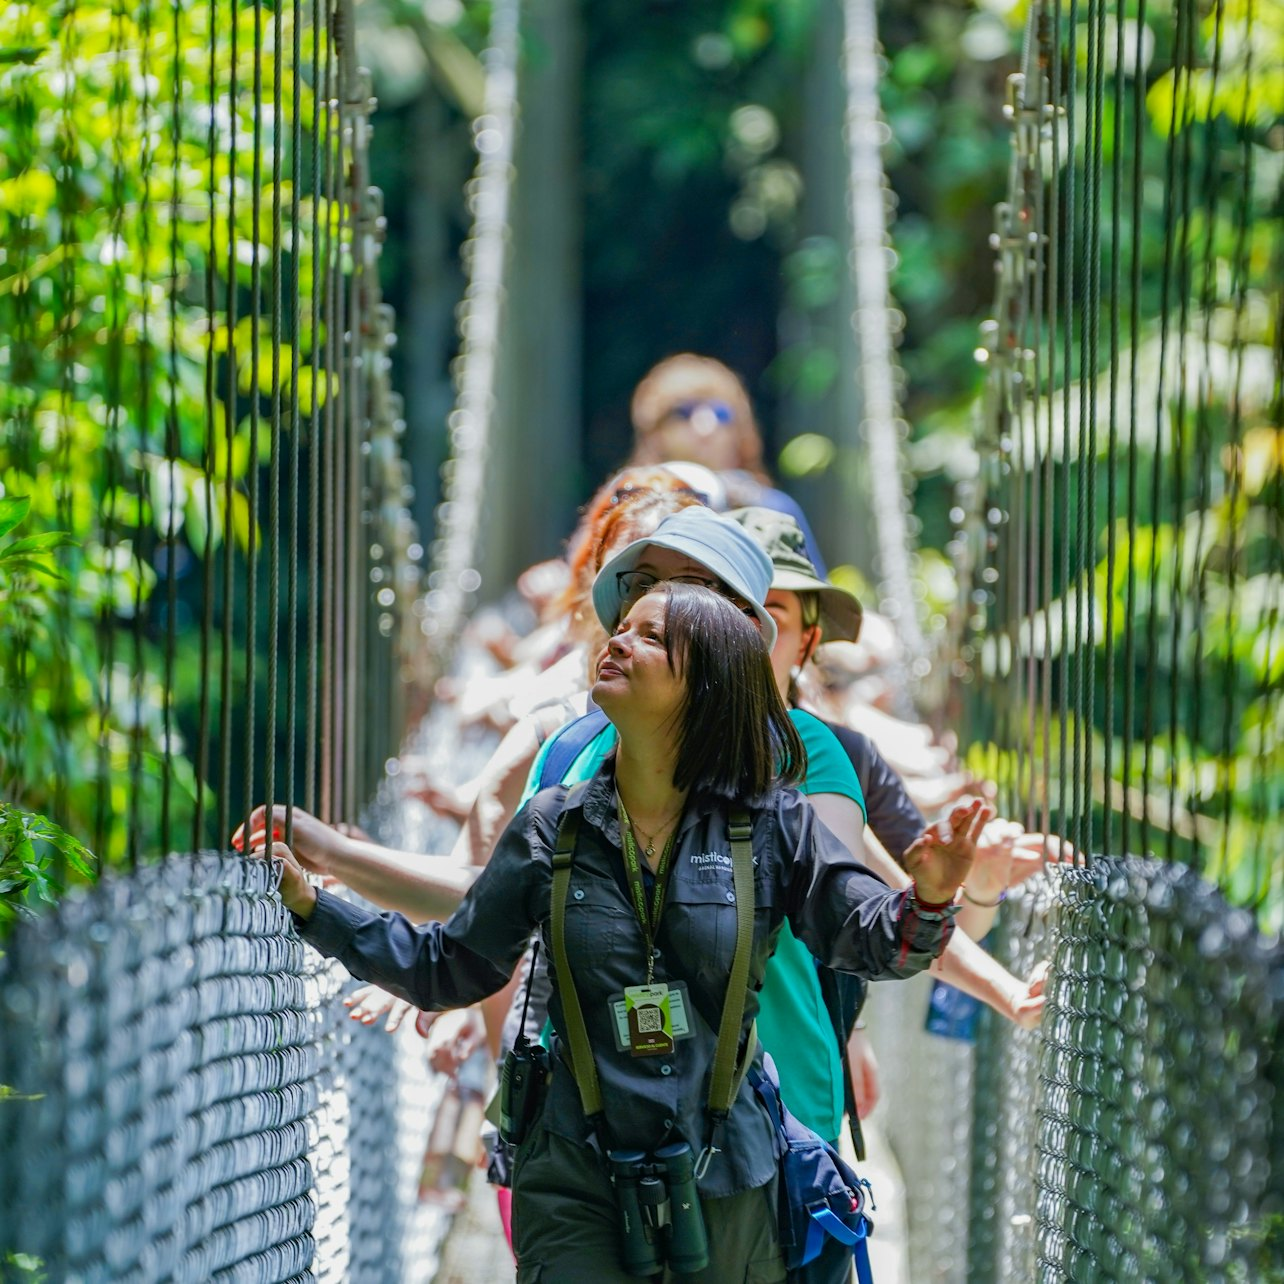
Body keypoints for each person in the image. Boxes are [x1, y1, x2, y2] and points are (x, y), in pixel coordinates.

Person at [256, 574, 988, 1283]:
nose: (617, 642)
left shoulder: (770, 823)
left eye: (652, 637)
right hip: (576, 1174)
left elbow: (866, 939)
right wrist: (317, 910)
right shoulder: (551, 825)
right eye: (621, 627)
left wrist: (929, 896)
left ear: (707, 684)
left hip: (727, 1171)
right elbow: (450, 968)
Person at [628, 354, 829, 575]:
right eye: (684, 412)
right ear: (655, 433)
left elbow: (813, 598)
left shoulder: (772, 510)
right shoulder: (633, 509)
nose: (706, 425)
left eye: (721, 413)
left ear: (740, 433)